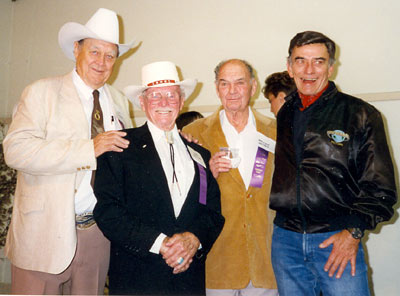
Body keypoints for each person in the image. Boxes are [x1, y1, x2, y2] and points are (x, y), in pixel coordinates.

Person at [3, 8, 134, 294]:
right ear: (76, 50)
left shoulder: (120, 102)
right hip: (42, 235)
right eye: (94, 51)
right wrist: (90, 148)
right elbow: (16, 150)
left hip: (97, 235)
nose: (102, 62)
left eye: (110, 55)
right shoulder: (41, 92)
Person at [269, 31, 397, 296]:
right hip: (286, 242)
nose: (309, 69)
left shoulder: (360, 114)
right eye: (300, 60)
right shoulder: (285, 113)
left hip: (337, 240)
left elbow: (381, 187)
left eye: (318, 61)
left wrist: (353, 232)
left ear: (331, 66)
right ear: (289, 67)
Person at [93, 61, 224, 295]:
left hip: (188, 279)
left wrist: (194, 239)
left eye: (171, 96)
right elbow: (108, 213)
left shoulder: (200, 154)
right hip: (137, 278)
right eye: (155, 96)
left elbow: (212, 212)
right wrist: (161, 244)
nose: (164, 103)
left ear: (182, 102)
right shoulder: (119, 147)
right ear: (142, 102)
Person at [183, 59, 277, 296]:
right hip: (217, 259)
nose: (232, 91)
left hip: (264, 260)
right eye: (225, 84)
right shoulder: (193, 134)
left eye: (240, 83)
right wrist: (206, 175)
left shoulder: (276, 131)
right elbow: (180, 196)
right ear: (216, 89)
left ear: (253, 87)